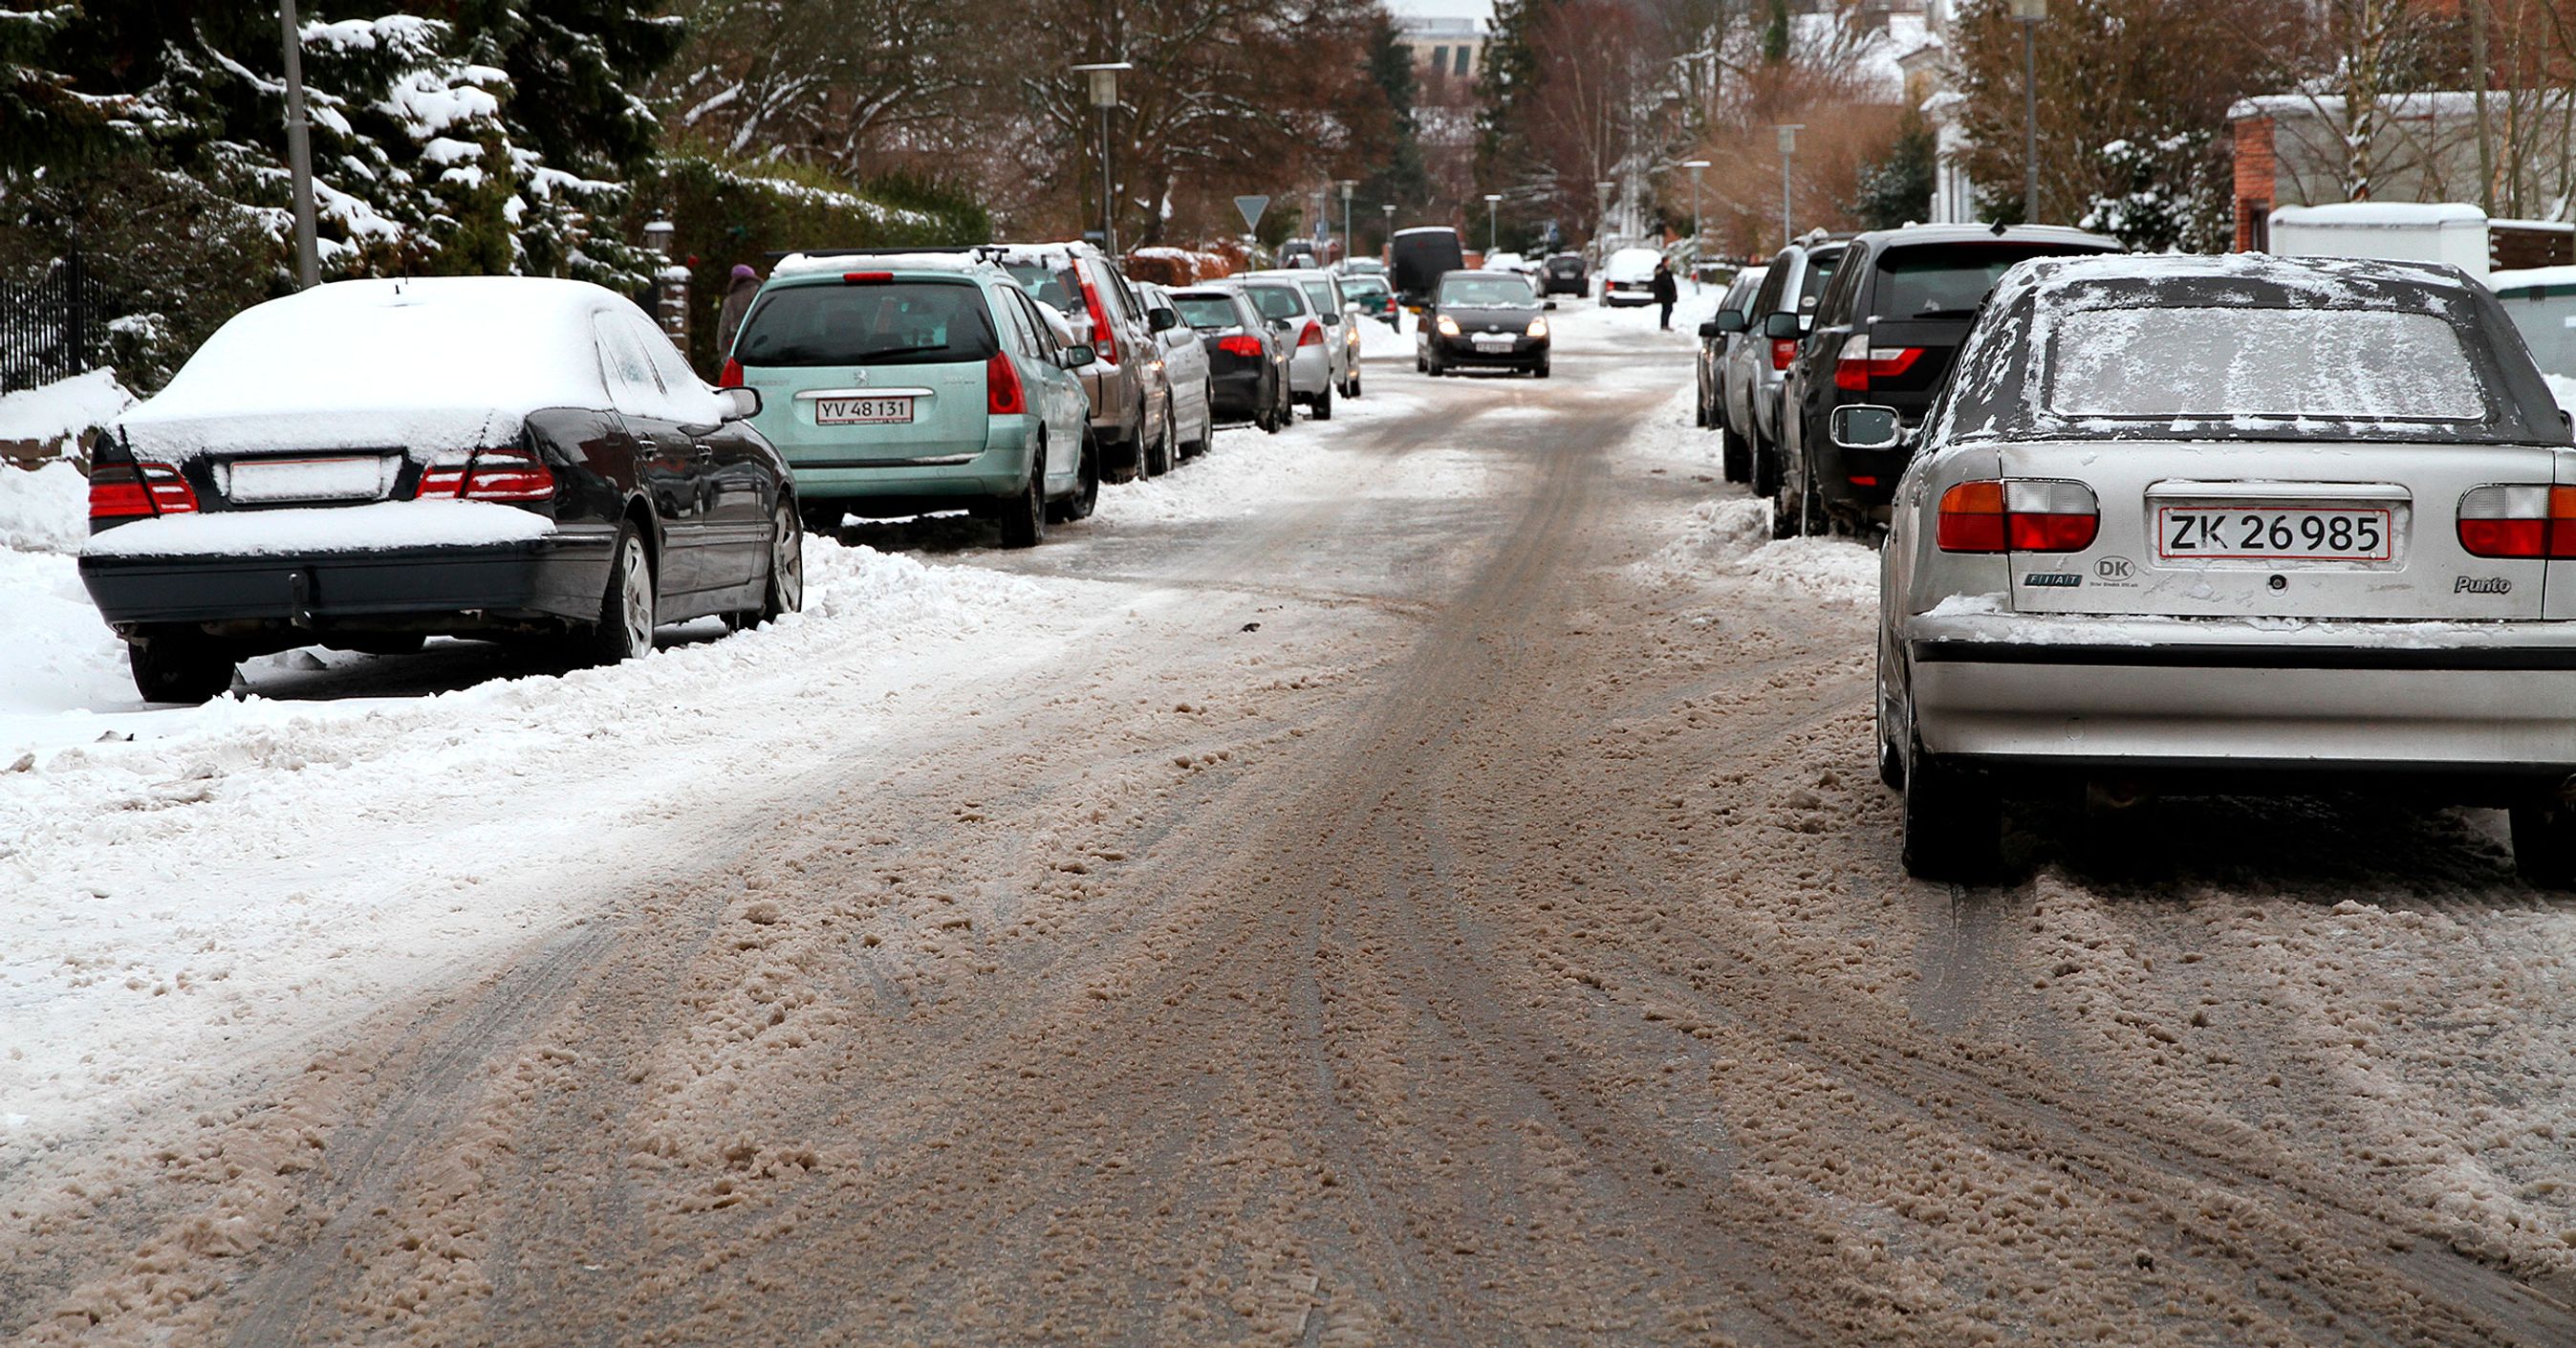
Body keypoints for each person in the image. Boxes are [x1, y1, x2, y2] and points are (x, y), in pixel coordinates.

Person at [715, 263, 761, 360]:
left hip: (737, 348)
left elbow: (723, 331)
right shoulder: (760, 293)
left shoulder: (730, 300)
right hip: (760, 344)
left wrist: (724, 355)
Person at [1651, 258, 1678, 331]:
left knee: (1666, 309)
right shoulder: (1663, 272)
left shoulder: (1661, 271)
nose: (1669, 263)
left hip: (1664, 294)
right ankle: (1664, 325)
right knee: (1667, 309)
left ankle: (1664, 324)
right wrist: (1672, 290)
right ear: (1665, 262)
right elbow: (1666, 283)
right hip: (1666, 294)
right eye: (1668, 261)